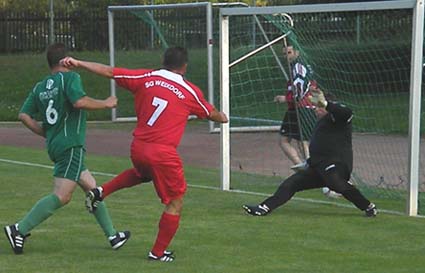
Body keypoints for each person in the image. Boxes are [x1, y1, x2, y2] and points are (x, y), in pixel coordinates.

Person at [60, 46, 228, 262]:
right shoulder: (190, 91)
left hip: (138, 147)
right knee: (175, 202)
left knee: (143, 174)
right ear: (184, 66)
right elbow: (211, 114)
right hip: (163, 152)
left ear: (163, 61)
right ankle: (157, 253)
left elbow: (109, 71)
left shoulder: (145, 76)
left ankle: (101, 191)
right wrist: (222, 117)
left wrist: (79, 63)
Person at [4, 43, 130, 255]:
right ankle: (19, 229)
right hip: (70, 145)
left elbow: (23, 115)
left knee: (93, 190)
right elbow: (79, 102)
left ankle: (112, 236)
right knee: (62, 196)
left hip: (56, 145)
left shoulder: (40, 86)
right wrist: (106, 103)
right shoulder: (70, 78)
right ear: (65, 60)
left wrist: (46, 132)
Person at [243, 87, 378, 217]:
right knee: (291, 183)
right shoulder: (321, 122)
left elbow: (346, 112)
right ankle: (264, 208)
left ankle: (367, 206)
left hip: (337, 165)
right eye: (315, 107)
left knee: (335, 182)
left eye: (319, 107)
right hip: (318, 167)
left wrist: (326, 103)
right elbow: (319, 148)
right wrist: (308, 164)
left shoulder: (338, 118)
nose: (315, 110)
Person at [274, 44, 316, 171]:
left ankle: (310, 168)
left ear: (296, 53)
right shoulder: (297, 66)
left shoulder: (299, 66)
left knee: (302, 141)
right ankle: (304, 166)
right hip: (297, 108)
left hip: (302, 108)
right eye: (284, 53)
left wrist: (286, 98)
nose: (286, 56)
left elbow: (300, 89)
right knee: (290, 140)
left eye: (289, 52)